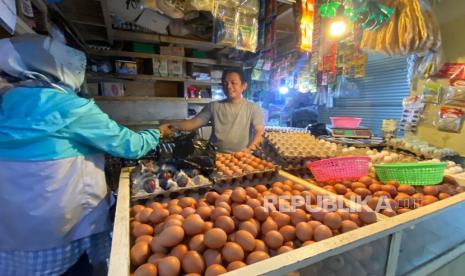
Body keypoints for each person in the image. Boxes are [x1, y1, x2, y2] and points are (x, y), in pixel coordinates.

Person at [0, 35, 169, 275]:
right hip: (60, 227)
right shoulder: (72, 108)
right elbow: (129, 145)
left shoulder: (7, 102)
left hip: (12, 230)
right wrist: (156, 132)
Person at [161, 69, 265, 153]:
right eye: (225, 83)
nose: (228, 86)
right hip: (216, 155)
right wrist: (170, 124)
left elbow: (259, 131)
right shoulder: (214, 106)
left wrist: (250, 149)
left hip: (242, 157)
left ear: (244, 86)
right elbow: (191, 124)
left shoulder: (253, 108)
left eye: (233, 83)